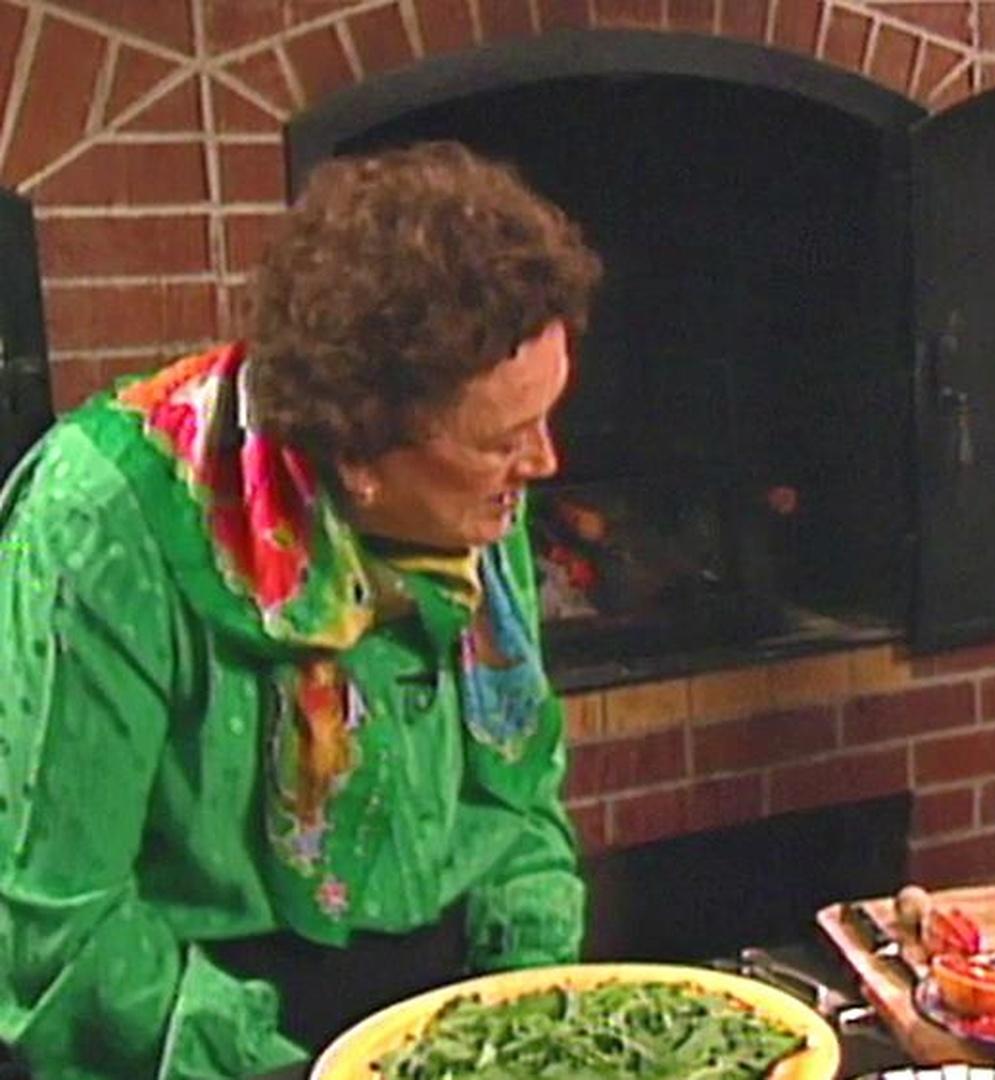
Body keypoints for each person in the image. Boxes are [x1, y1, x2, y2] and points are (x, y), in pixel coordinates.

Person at [0, 141, 603, 1077]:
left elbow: (518, 805)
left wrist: (526, 1018)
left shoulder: (480, 501)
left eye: (544, 419)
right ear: (360, 453)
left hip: (449, 1019)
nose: (544, 464)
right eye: (503, 439)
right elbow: (54, 925)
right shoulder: (99, 523)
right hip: (202, 1034)